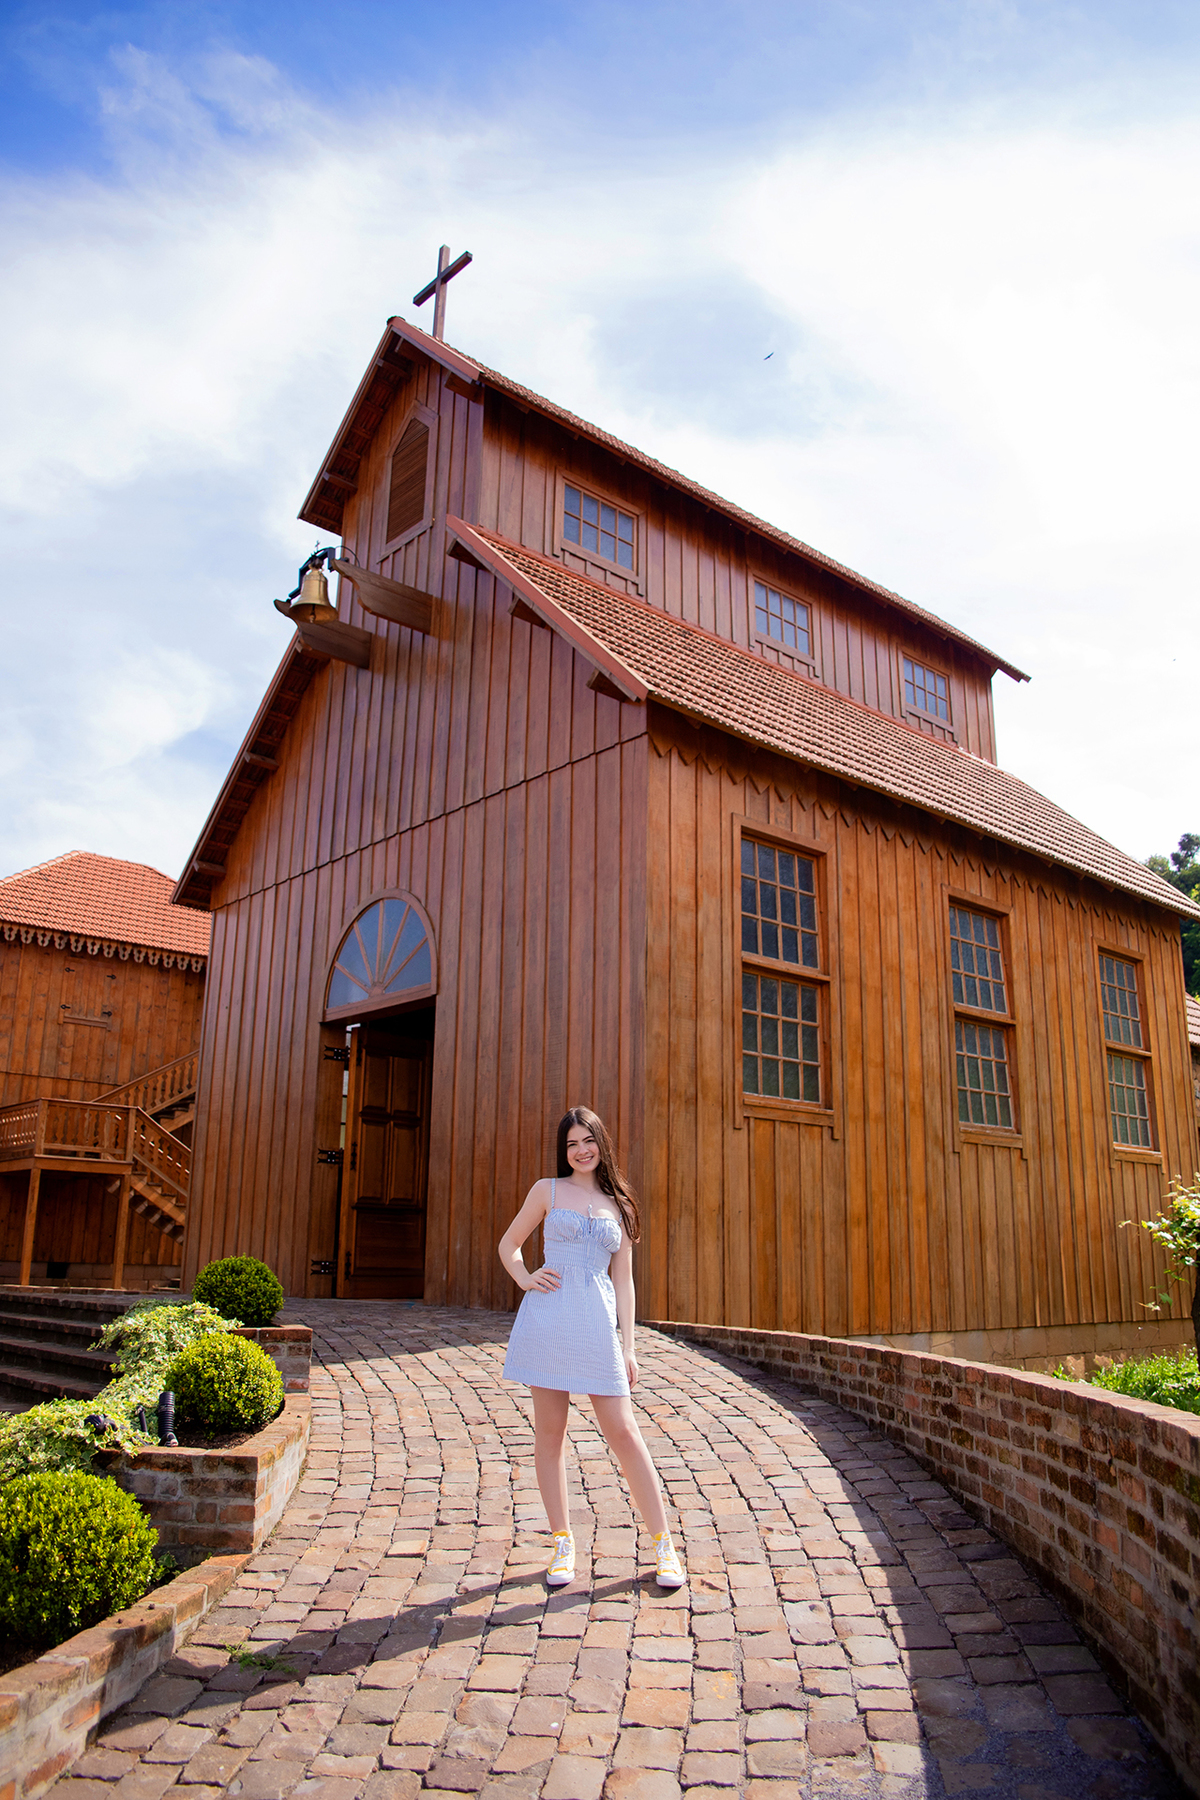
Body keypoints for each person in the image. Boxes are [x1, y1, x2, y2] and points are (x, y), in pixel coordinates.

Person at [498, 1105, 685, 1590]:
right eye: (571, 1144)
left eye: (588, 1140)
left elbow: (624, 1282)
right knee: (550, 1435)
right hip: (548, 1322)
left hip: (597, 1326)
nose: (581, 1150)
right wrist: (525, 1278)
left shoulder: (620, 1204)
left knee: (624, 1431)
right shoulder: (547, 1190)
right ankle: (562, 1542)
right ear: (563, 1151)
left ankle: (664, 1545)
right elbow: (508, 1244)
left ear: (601, 1143)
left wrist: (630, 1346)